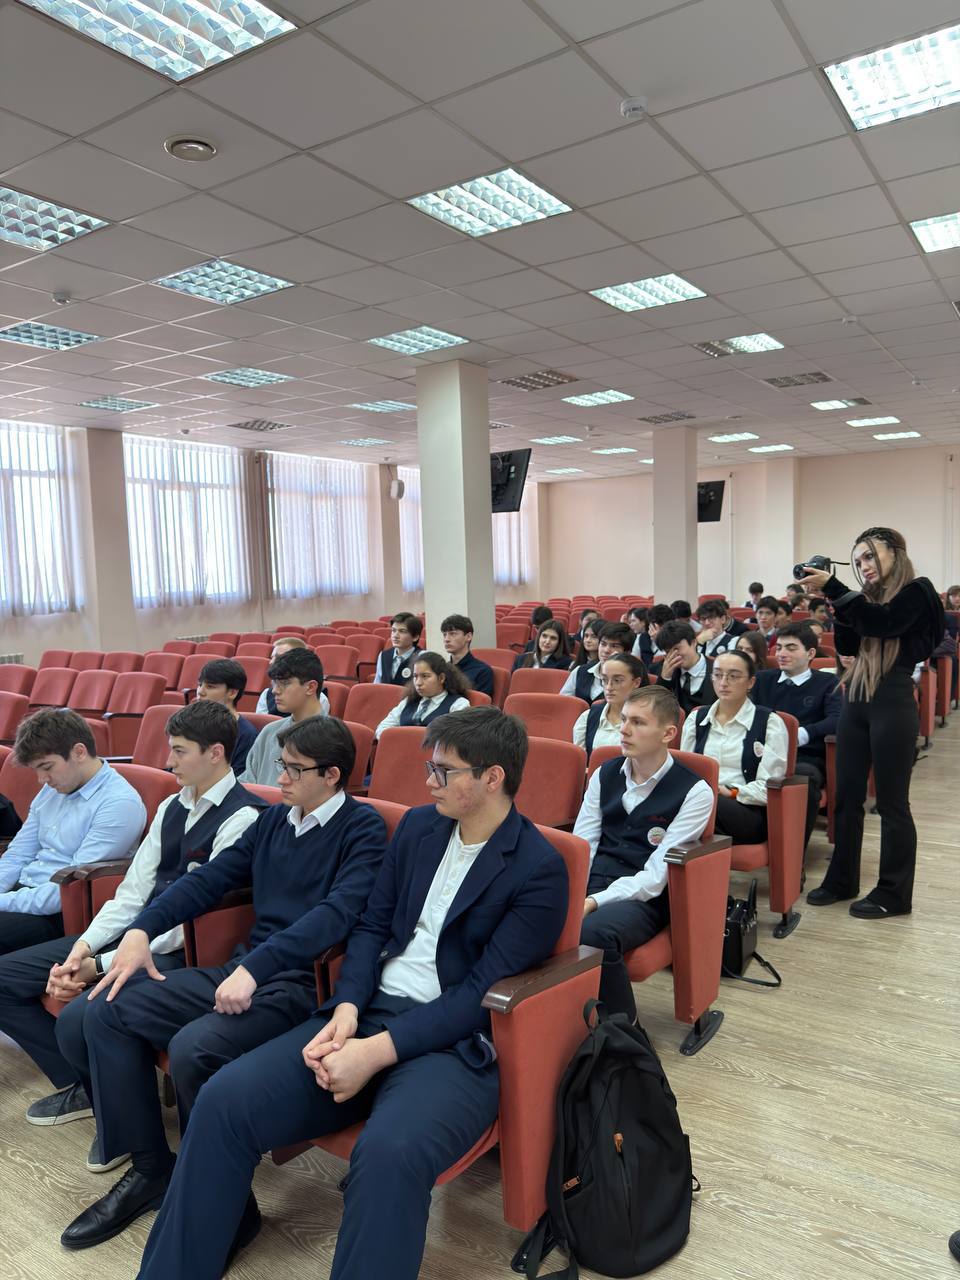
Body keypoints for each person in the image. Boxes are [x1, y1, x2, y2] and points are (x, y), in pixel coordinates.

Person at [133, 707, 569, 1280]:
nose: (429, 781)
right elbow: (370, 927)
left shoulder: (539, 869)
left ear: (492, 777)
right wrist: (346, 1008)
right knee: (222, 1100)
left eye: (444, 771)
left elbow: (477, 996)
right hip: (367, 1012)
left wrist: (374, 1052)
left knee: (389, 1154)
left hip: (454, 1045)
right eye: (430, 768)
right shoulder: (418, 828)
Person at [57, 715, 388, 1251]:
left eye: (294, 769)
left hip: (304, 983)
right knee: (107, 1009)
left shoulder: (362, 827)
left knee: (195, 1049)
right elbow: (209, 879)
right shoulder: (275, 820)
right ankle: (151, 1169)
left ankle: (227, 1205)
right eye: (280, 764)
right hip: (245, 969)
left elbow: (336, 915)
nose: (279, 777)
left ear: (332, 775)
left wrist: (255, 970)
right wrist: (142, 930)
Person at [0, 701, 265, 1165]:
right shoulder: (171, 806)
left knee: (83, 1016)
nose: (168, 761)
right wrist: (84, 948)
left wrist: (101, 964)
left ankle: (131, 1138)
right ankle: (103, 1100)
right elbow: (131, 894)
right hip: (137, 936)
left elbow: (193, 918)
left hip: (186, 948)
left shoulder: (243, 816)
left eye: (179, 751)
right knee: (22, 980)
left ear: (216, 753)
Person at [800, 528, 944, 919]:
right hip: (857, 696)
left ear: (895, 552)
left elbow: (885, 624)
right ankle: (842, 879)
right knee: (846, 797)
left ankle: (894, 893)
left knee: (892, 803)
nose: (863, 565)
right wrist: (839, 604)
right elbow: (848, 647)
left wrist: (837, 590)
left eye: (869, 555)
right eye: (858, 560)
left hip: (893, 698)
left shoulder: (918, 591)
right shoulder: (863, 601)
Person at [575, 686, 713, 1021]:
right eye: (623, 719)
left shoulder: (695, 792)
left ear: (668, 733)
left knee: (592, 932)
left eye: (637, 722)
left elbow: (655, 878)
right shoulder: (605, 773)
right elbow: (583, 845)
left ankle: (625, 1030)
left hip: (644, 898)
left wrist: (592, 902)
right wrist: (573, 892)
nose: (623, 729)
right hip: (593, 883)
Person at [0, 711, 145, 955]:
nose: (41, 779)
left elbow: (67, 890)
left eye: (47, 767)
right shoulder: (54, 788)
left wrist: (3, 902)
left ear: (79, 752)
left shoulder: (118, 803)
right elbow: (18, 854)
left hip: (59, 912)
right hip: (23, 894)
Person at [681, 649, 788, 845]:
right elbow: (685, 772)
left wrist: (731, 791)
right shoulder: (696, 719)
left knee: (705, 805)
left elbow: (769, 787)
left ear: (751, 682)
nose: (723, 682)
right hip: (700, 802)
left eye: (734, 676)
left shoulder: (769, 723)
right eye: (718, 675)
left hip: (746, 810)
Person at [752, 623, 842, 849]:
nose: (782, 654)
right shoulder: (762, 679)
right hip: (761, 753)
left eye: (791, 648)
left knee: (803, 781)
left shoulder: (827, 682)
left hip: (805, 757)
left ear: (810, 653)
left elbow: (836, 719)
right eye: (779, 647)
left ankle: (793, 855)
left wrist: (802, 734)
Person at [241, 648, 326, 785]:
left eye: (285, 684)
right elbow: (247, 782)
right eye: (274, 683)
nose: (275, 691)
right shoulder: (269, 732)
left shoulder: (331, 737)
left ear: (310, 687)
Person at [374, 653, 471, 739]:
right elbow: (382, 729)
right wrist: (401, 740)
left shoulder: (458, 704)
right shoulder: (408, 701)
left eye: (425, 676)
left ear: (441, 678)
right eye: (415, 676)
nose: (418, 683)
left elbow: (456, 738)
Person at [572, 653, 647, 756]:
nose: (609, 687)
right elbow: (581, 761)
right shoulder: (588, 717)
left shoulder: (648, 721)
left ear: (636, 682)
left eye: (617, 680)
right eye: (604, 680)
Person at [196, 658, 259, 775]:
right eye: (200, 685)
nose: (200, 692)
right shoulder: (191, 724)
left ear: (232, 693)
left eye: (210, 686)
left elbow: (237, 779)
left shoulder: (246, 735)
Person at [256, 636, 331, 717]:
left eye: (279, 657)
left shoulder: (319, 698)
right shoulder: (267, 694)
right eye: (272, 657)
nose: (271, 662)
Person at [654, 620, 716, 715]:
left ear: (693, 643)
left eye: (677, 648)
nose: (674, 655)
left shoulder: (717, 669)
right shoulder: (664, 670)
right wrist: (665, 678)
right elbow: (657, 707)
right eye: (668, 651)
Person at [560, 622, 632, 702]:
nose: (606, 650)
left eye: (614, 646)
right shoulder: (580, 671)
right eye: (603, 644)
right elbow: (563, 702)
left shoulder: (631, 678)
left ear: (627, 652)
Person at [440, 614, 494, 698]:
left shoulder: (482, 671)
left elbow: (480, 704)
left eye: (453, 634)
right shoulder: (443, 669)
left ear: (468, 636)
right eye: (444, 634)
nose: (446, 639)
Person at [373, 614, 423, 686]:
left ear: (415, 637)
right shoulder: (383, 655)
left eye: (402, 631)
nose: (395, 636)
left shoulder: (422, 657)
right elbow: (377, 684)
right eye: (393, 630)